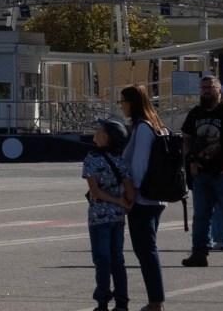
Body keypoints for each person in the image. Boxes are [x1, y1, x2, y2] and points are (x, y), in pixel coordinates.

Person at [178, 75, 223, 269]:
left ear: (219, 90)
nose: (206, 90)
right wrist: (191, 160)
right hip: (202, 174)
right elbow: (186, 138)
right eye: (203, 88)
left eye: (210, 87)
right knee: (200, 216)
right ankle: (199, 253)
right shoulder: (196, 113)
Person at [119, 85, 171, 311]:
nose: (121, 106)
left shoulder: (142, 128)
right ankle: (155, 300)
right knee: (147, 249)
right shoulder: (157, 125)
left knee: (146, 251)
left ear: (133, 102)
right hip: (156, 197)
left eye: (123, 102)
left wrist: (132, 193)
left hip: (143, 199)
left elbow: (139, 165)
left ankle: (156, 302)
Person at [83, 118, 135, 311]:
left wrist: (116, 201)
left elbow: (95, 192)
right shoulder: (121, 161)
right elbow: (130, 191)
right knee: (118, 259)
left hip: (98, 217)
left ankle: (103, 301)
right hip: (118, 218)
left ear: (105, 137)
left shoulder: (91, 160)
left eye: (99, 130)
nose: (95, 132)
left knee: (102, 259)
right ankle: (122, 302)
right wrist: (124, 204)